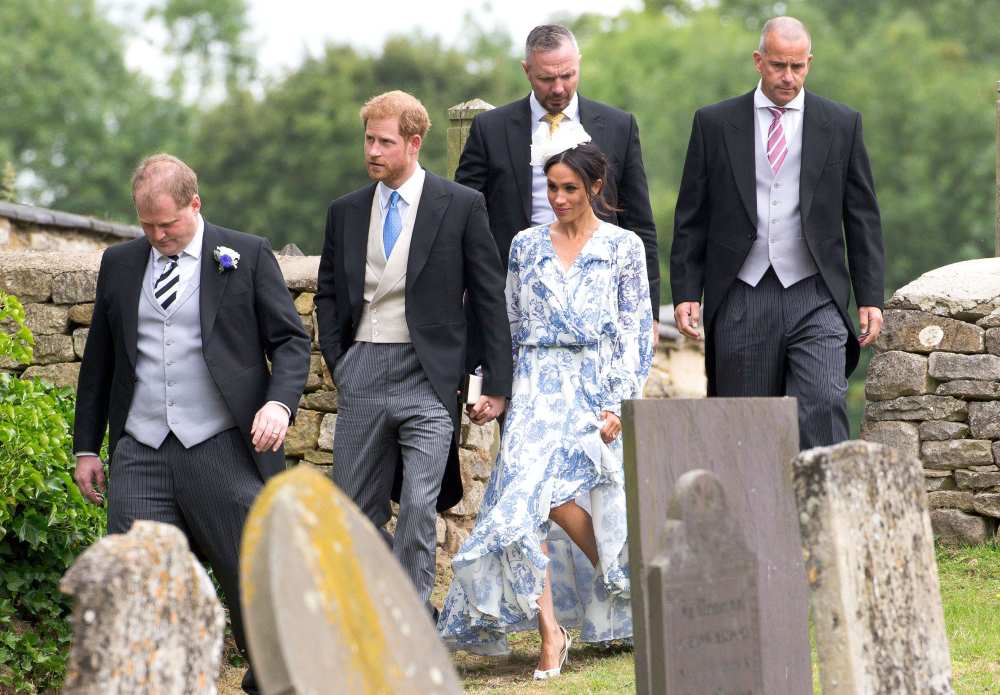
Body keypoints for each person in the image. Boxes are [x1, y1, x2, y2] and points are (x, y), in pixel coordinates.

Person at [73, 153, 311, 694]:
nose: (158, 235)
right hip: (141, 447)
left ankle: (278, 677)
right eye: (147, 225)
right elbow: (100, 361)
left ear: (195, 204)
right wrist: (87, 446)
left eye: (168, 224)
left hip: (222, 445)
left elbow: (290, 342)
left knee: (249, 574)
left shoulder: (244, 254)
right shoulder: (120, 263)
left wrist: (279, 405)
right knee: (135, 583)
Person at [438, 129, 653, 679]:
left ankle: (621, 576)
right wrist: (496, 389)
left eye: (570, 189)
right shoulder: (526, 245)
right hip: (535, 383)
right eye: (552, 188)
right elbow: (506, 324)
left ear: (595, 188)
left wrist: (620, 401)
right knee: (521, 504)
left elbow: (635, 332)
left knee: (564, 498)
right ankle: (550, 634)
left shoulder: (623, 248)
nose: (558, 198)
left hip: (594, 383)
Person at [314, 91, 512, 610]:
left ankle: (410, 622)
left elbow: (488, 294)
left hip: (429, 375)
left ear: (414, 142)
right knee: (355, 510)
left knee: (421, 506)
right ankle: (382, 603)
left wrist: (495, 382)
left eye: (384, 141)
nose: (372, 151)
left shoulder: (461, 205)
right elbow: (330, 291)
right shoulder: (346, 211)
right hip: (363, 367)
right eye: (368, 139)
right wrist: (342, 361)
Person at [670, 16, 885, 448]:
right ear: (758, 61)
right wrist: (687, 291)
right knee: (746, 428)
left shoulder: (841, 123)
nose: (788, 77)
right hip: (742, 291)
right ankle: (754, 517)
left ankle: (831, 515)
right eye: (777, 66)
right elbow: (692, 214)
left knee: (824, 403)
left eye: (798, 67)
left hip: (815, 290)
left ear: (809, 63)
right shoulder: (714, 123)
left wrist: (870, 297)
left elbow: (860, 214)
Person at [456, 23, 660, 361]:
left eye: (567, 75)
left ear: (579, 62)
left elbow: (639, 222)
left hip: (597, 303)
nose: (558, 88)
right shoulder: (490, 130)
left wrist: (648, 311)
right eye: (546, 79)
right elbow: (463, 219)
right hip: (515, 301)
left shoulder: (619, 126)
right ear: (526, 70)